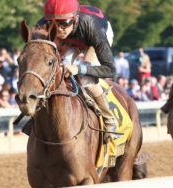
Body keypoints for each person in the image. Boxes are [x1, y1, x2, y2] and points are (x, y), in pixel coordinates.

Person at [38, 0, 117, 142]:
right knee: (60, 69)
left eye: (64, 23)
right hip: (73, 40)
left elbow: (110, 70)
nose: (59, 29)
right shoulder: (43, 26)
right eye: (53, 24)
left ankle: (109, 121)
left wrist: (79, 68)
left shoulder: (93, 29)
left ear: (74, 20)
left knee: (85, 78)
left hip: (93, 38)